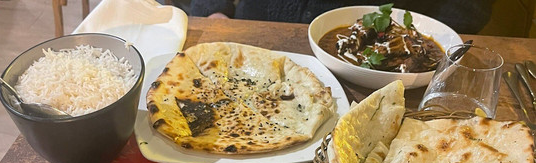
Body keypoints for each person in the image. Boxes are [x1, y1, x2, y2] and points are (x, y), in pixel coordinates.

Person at [188, 0, 494, 34]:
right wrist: (213, 10)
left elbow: (467, 8)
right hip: (254, 31)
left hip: (376, 65)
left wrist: (428, 39)